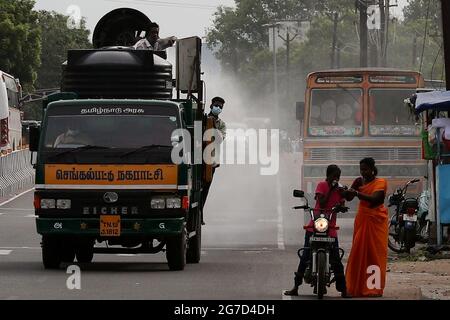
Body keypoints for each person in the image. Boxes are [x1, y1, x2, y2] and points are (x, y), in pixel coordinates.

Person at [284, 165, 350, 298]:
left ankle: (343, 290)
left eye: (338, 176)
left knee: (336, 260)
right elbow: (323, 203)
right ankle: (295, 287)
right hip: (314, 226)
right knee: (305, 256)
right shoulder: (322, 186)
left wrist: (341, 206)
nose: (336, 179)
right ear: (328, 175)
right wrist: (331, 189)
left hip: (330, 228)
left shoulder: (340, 190)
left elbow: (343, 204)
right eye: (334, 176)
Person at [345, 157, 389, 297]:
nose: (363, 172)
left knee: (375, 254)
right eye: (361, 169)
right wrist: (344, 191)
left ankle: (373, 288)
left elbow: (376, 199)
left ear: (372, 169)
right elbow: (348, 198)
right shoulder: (358, 181)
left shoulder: (380, 182)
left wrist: (357, 193)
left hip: (376, 221)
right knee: (358, 253)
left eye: (365, 169)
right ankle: (355, 286)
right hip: (362, 220)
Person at [201, 97, 227, 223]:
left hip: (212, 162)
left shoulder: (221, 124)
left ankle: (200, 213)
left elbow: (221, 139)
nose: (218, 108)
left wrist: (214, 129)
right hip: (199, 160)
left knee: (206, 188)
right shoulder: (203, 119)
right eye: (216, 105)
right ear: (211, 106)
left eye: (220, 107)